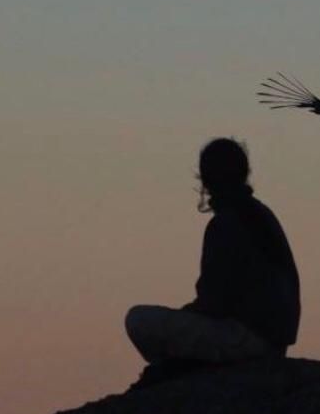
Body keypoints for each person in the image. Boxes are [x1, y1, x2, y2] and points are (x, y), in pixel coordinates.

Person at [125, 138, 300, 379]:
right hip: (273, 342)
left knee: (139, 320)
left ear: (205, 180)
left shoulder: (226, 223)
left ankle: (185, 372)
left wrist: (185, 317)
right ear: (245, 173)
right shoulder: (262, 214)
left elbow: (213, 301)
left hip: (246, 340)